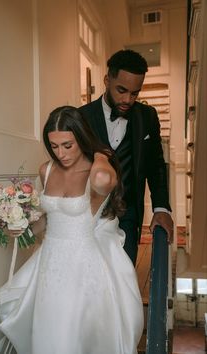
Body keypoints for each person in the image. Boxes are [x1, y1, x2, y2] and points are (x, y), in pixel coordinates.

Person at [0, 106, 144, 354]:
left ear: (82, 138)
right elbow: (48, 220)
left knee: (72, 329)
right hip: (50, 260)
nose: (60, 153)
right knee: (48, 327)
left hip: (82, 263)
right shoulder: (46, 170)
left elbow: (103, 182)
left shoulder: (97, 172)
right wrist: (22, 229)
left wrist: (101, 154)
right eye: (54, 146)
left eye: (67, 145)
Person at [79, 49, 174, 265]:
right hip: (89, 214)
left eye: (135, 93)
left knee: (125, 274)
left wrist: (161, 208)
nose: (127, 99)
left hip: (129, 214)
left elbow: (156, 165)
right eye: (121, 90)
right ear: (107, 80)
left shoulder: (147, 117)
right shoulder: (81, 117)